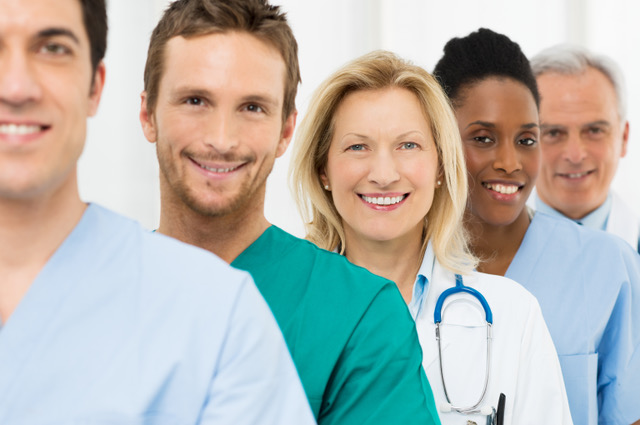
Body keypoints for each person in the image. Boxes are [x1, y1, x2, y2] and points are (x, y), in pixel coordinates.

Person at [0, 0, 315, 423]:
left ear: (95, 86)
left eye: (53, 47)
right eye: (196, 100)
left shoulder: (217, 313)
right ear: (148, 113)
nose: (16, 87)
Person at [138, 0, 440, 423]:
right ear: (147, 113)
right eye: (195, 100)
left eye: (252, 107)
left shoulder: (362, 317)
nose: (222, 139)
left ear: (285, 130)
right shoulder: (83, 294)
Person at [290, 50, 572, 425]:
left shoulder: (513, 316)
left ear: (440, 165)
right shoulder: (280, 314)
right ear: (323, 169)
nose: (384, 174)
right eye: (358, 146)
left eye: (408, 145)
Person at [433, 28, 640, 425]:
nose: (510, 162)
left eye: (527, 139)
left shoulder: (609, 266)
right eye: (482, 137)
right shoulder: (407, 264)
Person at [529, 45, 639, 252]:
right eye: (553, 133)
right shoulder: (472, 257)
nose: (575, 155)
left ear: (623, 138)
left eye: (594, 131)